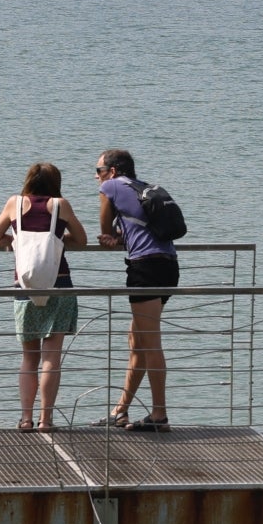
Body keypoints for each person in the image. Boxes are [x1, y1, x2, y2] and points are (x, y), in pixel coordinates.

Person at [0, 162, 88, 433]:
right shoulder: (60, 205)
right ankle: (46, 419)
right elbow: (82, 239)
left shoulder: (14, 204)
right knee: (51, 356)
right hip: (60, 284)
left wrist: (16, 241)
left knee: (29, 357)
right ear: (56, 182)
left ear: (28, 180)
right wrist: (58, 240)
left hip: (25, 286)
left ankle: (27, 418)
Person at [92, 149, 179, 432]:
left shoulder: (111, 187)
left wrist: (110, 238)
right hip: (167, 265)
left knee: (150, 341)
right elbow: (128, 232)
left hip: (145, 268)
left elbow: (105, 231)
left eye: (99, 170)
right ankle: (121, 409)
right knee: (137, 339)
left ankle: (159, 415)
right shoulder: (140, 187)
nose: (96, 176)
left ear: (113, 171)